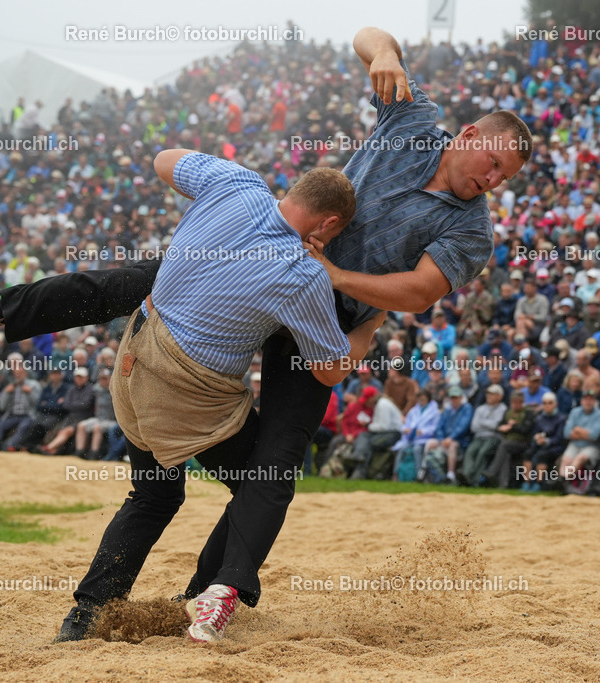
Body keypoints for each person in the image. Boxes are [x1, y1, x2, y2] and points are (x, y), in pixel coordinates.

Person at [0, 25, 531, 641]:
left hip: (317, 308)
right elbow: (366, 36)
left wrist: (336, 276)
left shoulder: (471, 228)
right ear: (472, 136)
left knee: (275, 459)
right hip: (277, 269)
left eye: (503, 179)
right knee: (119, 286)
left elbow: (421, 291)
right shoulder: (415, 122)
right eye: (494, 164)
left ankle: (211, 592)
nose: (493, 182)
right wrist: (387, 52)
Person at [55, 150, 383, 645]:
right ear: (330, 223)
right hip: (185, 393)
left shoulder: (238, 185)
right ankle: (205, 594)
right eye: (332, 235)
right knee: (261, 481)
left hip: (132, 363)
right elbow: (332, 368)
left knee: (153, 495)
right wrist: (371, 325)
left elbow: (163, 159)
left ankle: (86, 616)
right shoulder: (303, 273)